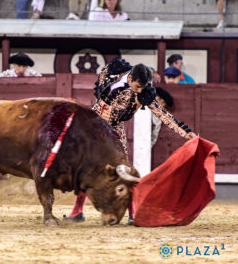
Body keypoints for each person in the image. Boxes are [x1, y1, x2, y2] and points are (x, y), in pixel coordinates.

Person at [64, 57, 197, 223]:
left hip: (114, 130)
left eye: (143, 87)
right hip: (93, 128)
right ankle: (77, 212)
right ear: (130, 78)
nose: (140, 91)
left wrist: (186, 133)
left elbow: (163, 114)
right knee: (86, 170)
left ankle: (133, 213)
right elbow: (101, 80)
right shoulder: (114, 73)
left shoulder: (144, 93)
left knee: (124, 170)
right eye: (138, 86)